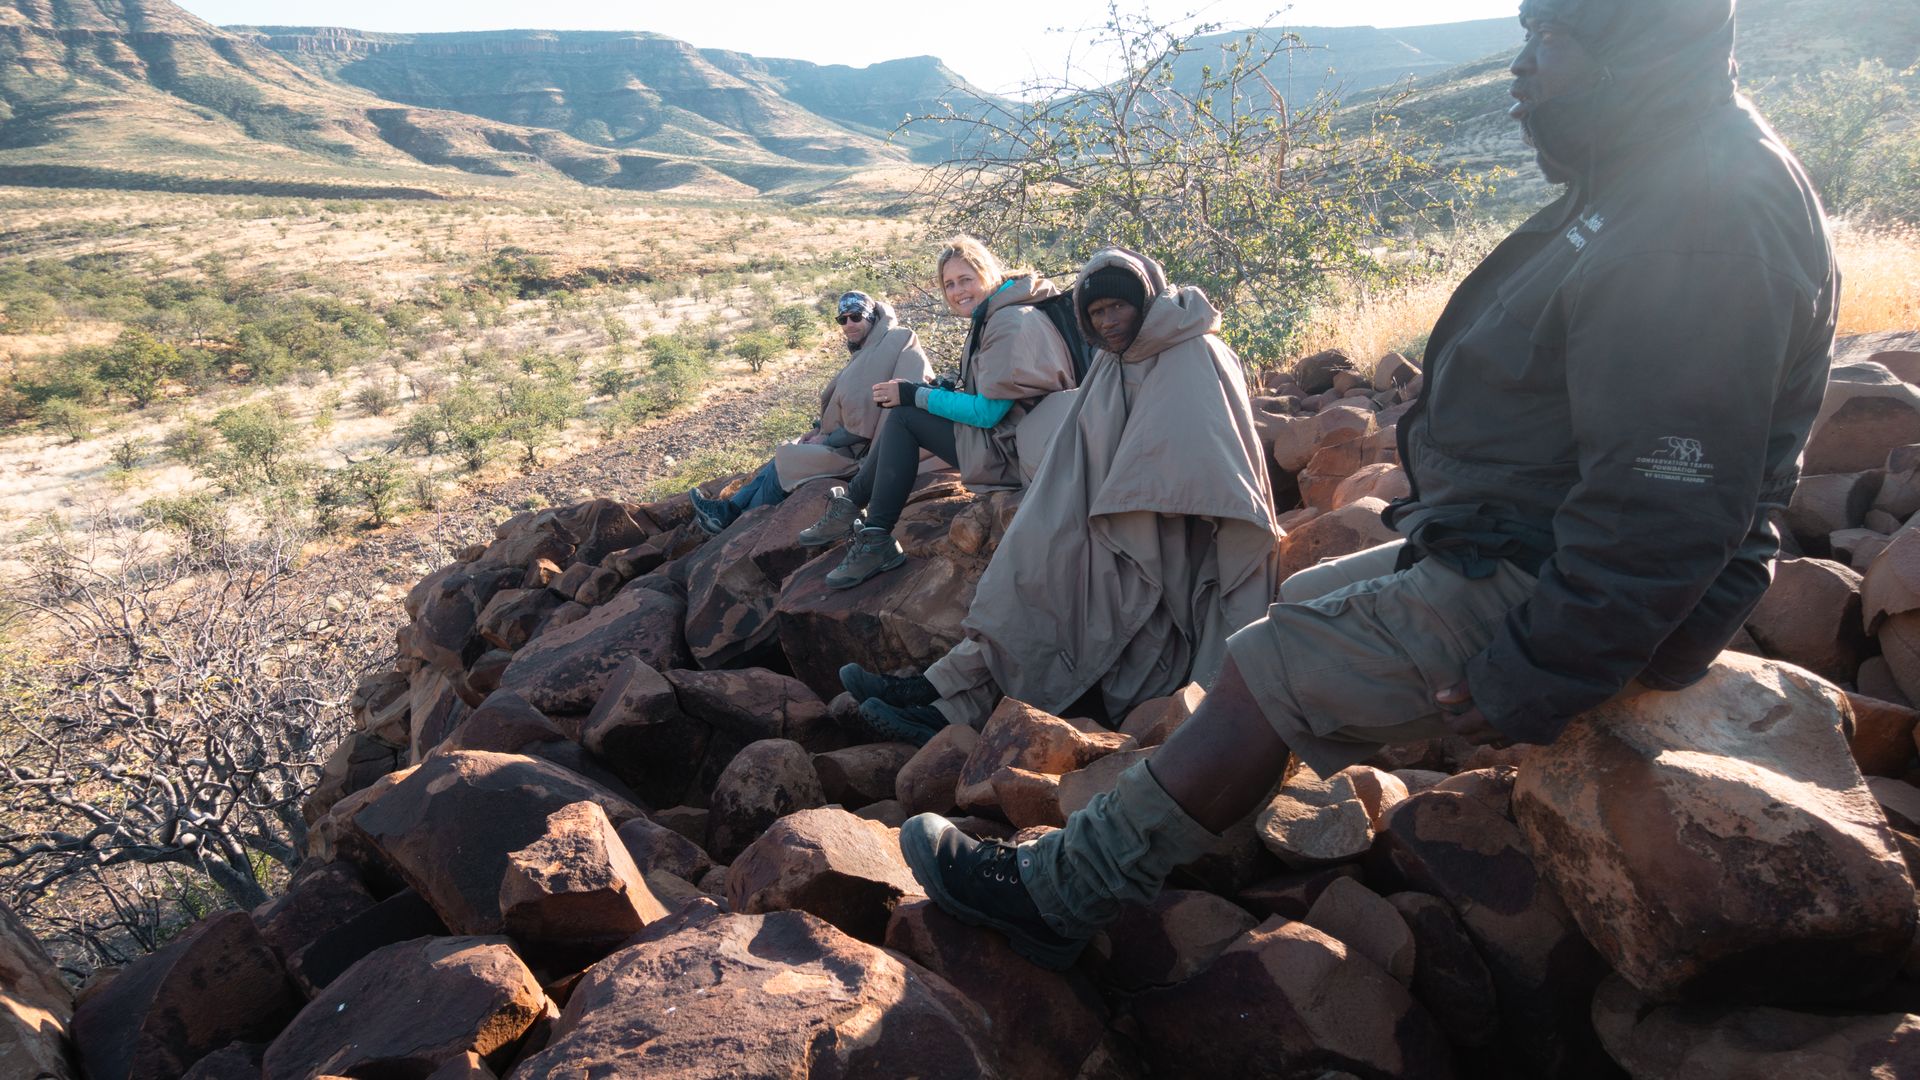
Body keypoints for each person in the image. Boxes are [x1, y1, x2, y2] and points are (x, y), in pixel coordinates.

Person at [899, 0, 1840, 970]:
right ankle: (1211, 819)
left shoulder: (1705, 218)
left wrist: (1543, 664)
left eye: (1548, 41)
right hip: (1539, 537)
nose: (1520, 70)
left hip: (1587, 582)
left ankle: (1064, 893)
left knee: (1271, 665)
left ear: (1630, 50)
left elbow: (1666, 506)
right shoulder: (1659, 172)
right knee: (1302, 599)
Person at [840, 248, 1282, 747]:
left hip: (1175, 533)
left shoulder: (1193, 353)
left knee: (1060, 578)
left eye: (1119, 307)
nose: (1110, 322)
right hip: (1116, 508)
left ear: (1145, 300)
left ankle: (948, 705)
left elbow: (1218, 472)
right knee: (1027, 558)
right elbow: (1082, 449)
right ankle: (942, 692)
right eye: (1097, 314)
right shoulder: (1120, 358)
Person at [796, 236, 1077, 589]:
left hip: (1015, 453)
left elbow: (988, 413)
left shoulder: (1009, 323)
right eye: (949, 284)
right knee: (907, 413)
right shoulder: (998, 313)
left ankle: (874, 534)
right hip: (1013, 438)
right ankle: (856, 509)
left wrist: (916, 394)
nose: (957, 291)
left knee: (905, 415)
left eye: (965, 279)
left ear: (987, 273)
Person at [688, 292, 931, 535]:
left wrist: (825, 439)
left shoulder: (889, 344)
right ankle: (728, 511)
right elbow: (851, 406)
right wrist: (819, 429)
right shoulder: (868, 350)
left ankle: (739, 522)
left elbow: (862, 424)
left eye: (855, 317)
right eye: (842, 320)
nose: (848, 325)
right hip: (846, 442)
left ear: (870, 317)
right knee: (780, 459)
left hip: (862, 453)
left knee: (789, 460)